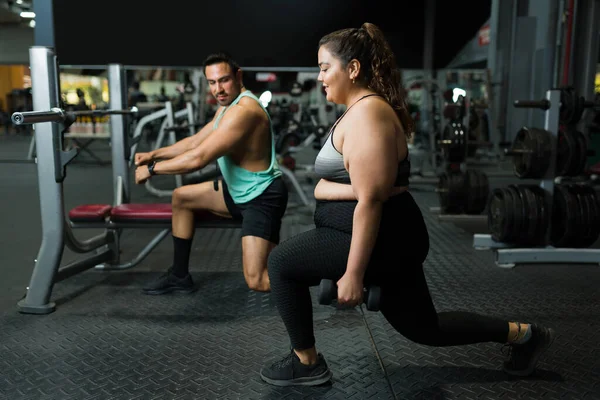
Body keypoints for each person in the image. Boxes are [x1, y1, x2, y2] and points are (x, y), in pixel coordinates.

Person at [259, 22, 555, 387]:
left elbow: (370, 201)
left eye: (324, 67)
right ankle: (524, 335)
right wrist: (330, 191)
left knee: (281, 262)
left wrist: (353, 273)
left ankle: (306, 364)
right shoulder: (357, 110)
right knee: (425, 328)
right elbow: (364, 189)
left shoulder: (369, 115)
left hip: (384, 238)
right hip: (380, 233)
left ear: (352, 69)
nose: (319, 76)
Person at [134, 53, 288, 295]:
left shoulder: (244, 111)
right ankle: (179, 275)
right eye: (212, 82)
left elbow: (199, 158)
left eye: (224, 80)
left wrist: (153, 170)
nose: (218, 89)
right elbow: (196, 141)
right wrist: (153, 154)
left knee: (256, 280)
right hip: (235, 192)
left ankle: (324, 283)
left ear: (238, 76)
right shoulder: (227, 106)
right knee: (181, 197)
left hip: (261, 198)